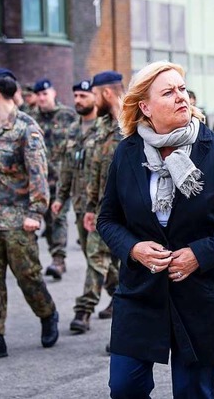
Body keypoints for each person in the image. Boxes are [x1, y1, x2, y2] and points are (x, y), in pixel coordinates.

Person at [97, 61, 214, 398]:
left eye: (182, 89)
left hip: (199, 290)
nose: (181, 97)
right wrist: (134, 249)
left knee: (193, 392)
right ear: (145, 106)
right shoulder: (127, 154)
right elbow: (108, 219)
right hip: (140, 289)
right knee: (124, 386)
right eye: (168, 92)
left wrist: (199, 254)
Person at [0, 68, 59, 362]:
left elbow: (38, 174)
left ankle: (48, 313)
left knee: (28, 277)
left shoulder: (26, 128)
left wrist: (35, 212)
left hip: (17, 220)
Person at [51, 77, 115, 333]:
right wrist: (59, 197)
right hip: (80, 206)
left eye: (84, 96)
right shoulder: (73, 130)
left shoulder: (105, 128)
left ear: (96, 98)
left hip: (102, 206)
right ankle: (119, 296)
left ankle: (84, 309)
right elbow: (66, 168)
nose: (78, 100)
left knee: (96, 255)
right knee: (103, 258)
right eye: (75, 96)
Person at [82, 71, 126, 326]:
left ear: (107, 93)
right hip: (106, 209)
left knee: (132, 268)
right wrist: (90, 207)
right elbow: (96, 169)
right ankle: (87, 308)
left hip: (133, 210)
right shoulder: (104, 125)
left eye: (96, 95)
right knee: (98, 255)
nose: (93, 101)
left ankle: (94, 308)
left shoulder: (136, 121)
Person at [31, 78, 77, 278]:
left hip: (61, 180)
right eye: (39, 95)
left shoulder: (68, 116)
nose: (42, 98)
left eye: (45, 94)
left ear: (53, 93)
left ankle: (58, 260)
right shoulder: (31, 119)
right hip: (39, 180)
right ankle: (54, 253)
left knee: (58, 218)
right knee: (48, 221)